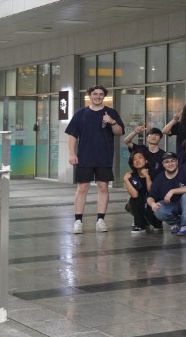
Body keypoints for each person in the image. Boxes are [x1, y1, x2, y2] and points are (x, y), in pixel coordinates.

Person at [65, 84, 125, 233]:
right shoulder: (81, 113)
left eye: (100, 94)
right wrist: (72, 153)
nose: (98, 96)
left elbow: (119, 132)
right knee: (82, 188)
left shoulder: (111, 113)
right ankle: (78, 221)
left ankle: (100, 220)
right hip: (85, 157)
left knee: (103, 187)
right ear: (89, 96)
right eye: (95, 94)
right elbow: (72, 135)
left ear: (104, 96)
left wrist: (112, 122)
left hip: (104, 156)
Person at [148, 151, 186, 235]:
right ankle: (178, 223)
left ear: (177, 162)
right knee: (158, 210)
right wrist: (152, 204)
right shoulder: (159, 178)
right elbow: (150, 196)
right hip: (172, 206)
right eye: (167, 162)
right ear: (163, 164)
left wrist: (173, 191)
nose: (170, 164)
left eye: (172, 161)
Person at [123, 151, 158, 233]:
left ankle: (145, 221)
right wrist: (126, 180)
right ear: (132, 164)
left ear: (146, 161)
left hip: (154, 206)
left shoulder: (154, 174)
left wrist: (147, 176)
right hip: (141, 205)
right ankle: (140, 225)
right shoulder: (132, 177)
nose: (137, 160)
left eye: (140, 157)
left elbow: (151, 192)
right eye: (134, 159)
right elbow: (134, 195)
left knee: (157, 225)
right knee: (133, 200)